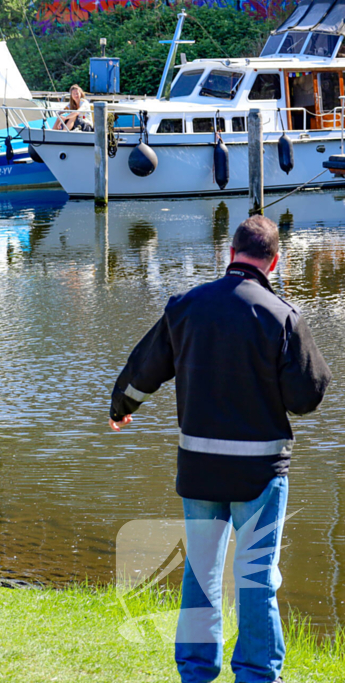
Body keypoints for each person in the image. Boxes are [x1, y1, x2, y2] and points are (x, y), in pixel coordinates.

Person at [108, 216, 331, 683]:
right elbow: (307, 397)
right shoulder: (282, 315)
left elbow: (145, 368)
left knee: (201, 574)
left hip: (201, 469)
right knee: (255, 579)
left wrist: (122, 406)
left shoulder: (186, 306)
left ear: (228, 254)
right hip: (260, 472)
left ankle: (195, 672)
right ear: (275, 261)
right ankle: (256, 674)